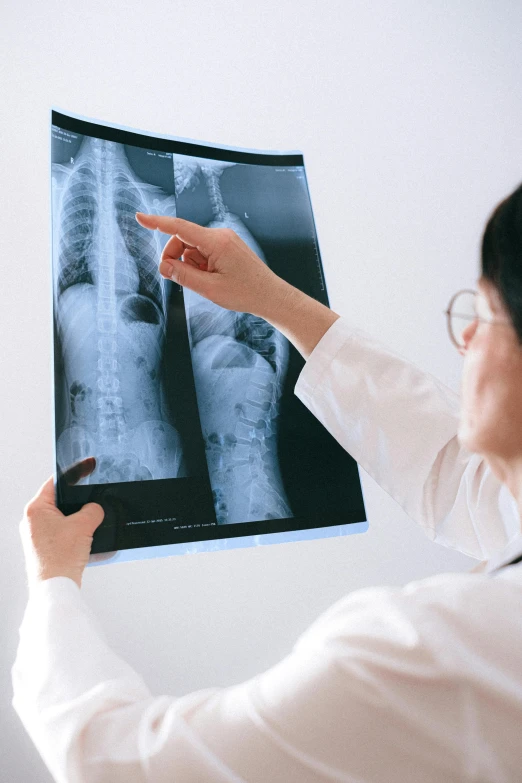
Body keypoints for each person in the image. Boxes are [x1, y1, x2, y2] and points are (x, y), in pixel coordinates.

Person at [12, 184, 522, 783]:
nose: (464, 339)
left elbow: (112, 762)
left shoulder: (436, 653)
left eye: (485, 315)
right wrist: (273, 300)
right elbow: (463, 481)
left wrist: (52, 584)